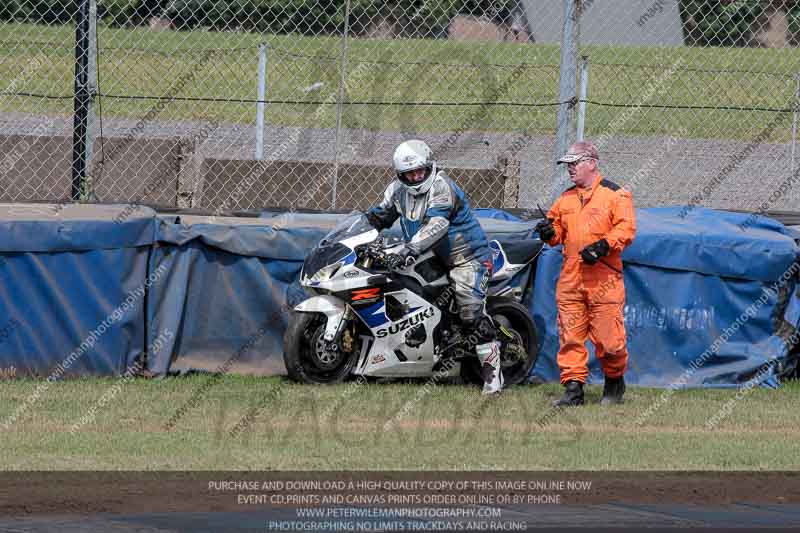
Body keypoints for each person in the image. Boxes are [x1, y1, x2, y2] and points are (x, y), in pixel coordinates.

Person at [365, 139, 502, 395]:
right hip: (427, 254)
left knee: (471, 313)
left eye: (420, 171)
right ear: (400, 175)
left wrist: (409, 249)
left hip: (467, 257)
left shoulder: (442, 186)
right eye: (409, 174)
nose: (416, 177)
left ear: (430, 167)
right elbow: (377, 216)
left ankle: (493, 378)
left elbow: (436, 225)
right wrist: (357, 233)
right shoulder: (396, 190)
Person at [535, 141, 636, 406]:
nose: (570, 168)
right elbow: (556, 232)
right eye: (567, 164)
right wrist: (548, 233)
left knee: (610, 341)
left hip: (604, 279)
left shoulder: (616, 195)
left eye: (574, 163)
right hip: (571, 279)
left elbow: (626, 230)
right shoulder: (566, 198)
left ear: (591, 163)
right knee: (570, 337)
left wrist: (603, 246)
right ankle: (573, 390)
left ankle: (615, 381)